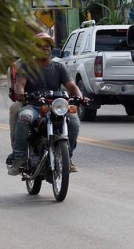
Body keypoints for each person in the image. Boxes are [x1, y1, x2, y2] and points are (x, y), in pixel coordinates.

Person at [8, 32, 83, 176]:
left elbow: (72, 86)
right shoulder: (27, 67)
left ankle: (68, 157)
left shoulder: (59, 67)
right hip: (34, 106)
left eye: (48, 46)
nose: (45, 49)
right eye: (41, 46)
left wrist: (79, 97)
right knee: (24, 117)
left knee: (74, 121)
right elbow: (20, 85)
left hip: (56, 106)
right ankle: (19, 159)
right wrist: (22, 94)